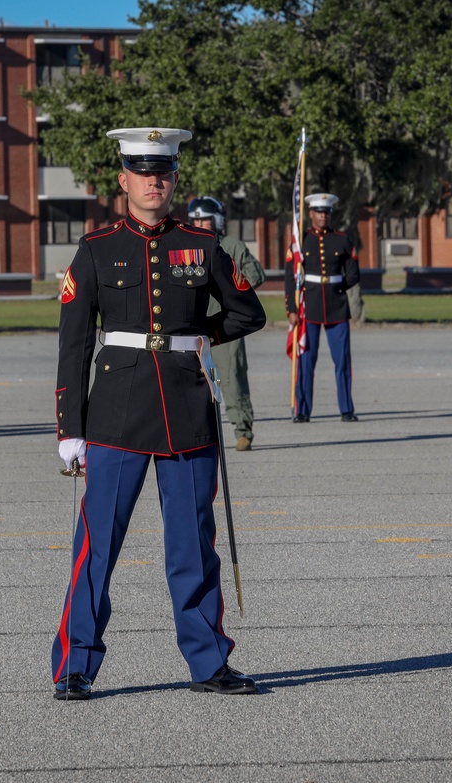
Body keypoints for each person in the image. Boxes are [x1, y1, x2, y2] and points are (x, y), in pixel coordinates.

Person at [51, 127, 266, 700]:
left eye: (164, 172)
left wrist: (197, 339)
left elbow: (248, 311)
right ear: (123, 180)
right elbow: (74, 346)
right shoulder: (96, 249)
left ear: (174, 179)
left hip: (186, 408)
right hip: (116, 414)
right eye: (143, 172)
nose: (154, 181)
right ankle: (75, 664)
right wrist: (70, 429)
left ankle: (209, 662)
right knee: (97, 547)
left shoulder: (201, 244)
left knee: (193, 544)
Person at [187, 196, 265, 451]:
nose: (200, 222)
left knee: (231, 378)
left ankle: (243, 429)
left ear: (217, 220)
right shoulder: (187, 246)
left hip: (225, 326)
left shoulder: (231, 246)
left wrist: (232, 294)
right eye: (196, 218)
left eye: (205, 218)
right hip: (194, 326)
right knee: (195, 381)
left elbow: (255, 275)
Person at [284, 193, 360, 423]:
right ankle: (303, 410)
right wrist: (292, 307)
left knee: (342, 360)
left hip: (337, 305)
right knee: (306, 360)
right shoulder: (301, 241)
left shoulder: (343, 239)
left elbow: (353, 274)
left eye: (326, 212)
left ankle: (346, 409)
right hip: (310, 307)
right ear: (310, 214)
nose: (323, 216)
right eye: (318, 212)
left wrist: (337, 286)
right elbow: (290, 277)